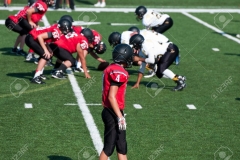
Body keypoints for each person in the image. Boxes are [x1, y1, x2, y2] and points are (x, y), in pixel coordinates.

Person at [100, 43, 133, 160]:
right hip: (112, 112)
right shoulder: (118, 71)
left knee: (122, 146)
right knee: (109, 147)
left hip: (116, 111)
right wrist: (120, 117)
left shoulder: (113, 68)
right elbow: (111, 97)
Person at [25, 19, 72, 84]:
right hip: (31, 38)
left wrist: (48, 49)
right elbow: (40, 37)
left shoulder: (57, 30)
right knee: (45, 56)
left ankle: (40, 74)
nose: (68, 30)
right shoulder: (56, 32)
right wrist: (45, 50)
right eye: (68, 29)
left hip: (32, 38)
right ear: (64, 27)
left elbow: (45, 39)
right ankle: (36, 77)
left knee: (47, 55)